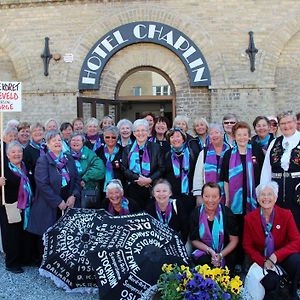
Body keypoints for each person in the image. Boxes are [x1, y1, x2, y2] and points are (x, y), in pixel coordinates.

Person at [243, 181, 300, 300]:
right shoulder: (250, 219)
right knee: (271, 281)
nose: (266, 198)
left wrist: (276, 256)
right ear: (258, 199)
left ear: (275, 197)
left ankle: (294, 293)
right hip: (261, 259)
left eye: (270, 194)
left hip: (281, 257)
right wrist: (263, 261)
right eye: (262, 195)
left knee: (296, 261)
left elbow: (296, 241)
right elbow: (247, 245)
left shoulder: (286, 215)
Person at [221, 121, 264, 270]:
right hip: (235, 202)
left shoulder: (257, 151)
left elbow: (263, 176)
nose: (242, 137)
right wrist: (227, 199)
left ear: (249, 136)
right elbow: (225, 179)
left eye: (245, 134)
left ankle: (251, 262)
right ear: (234, 136)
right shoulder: (228, 154)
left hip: (254, 201)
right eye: (239, 135)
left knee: (252, 230)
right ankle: (237, 262)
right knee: (236, 230)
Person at [27, 130, 80, 238]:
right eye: (53, 140)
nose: (57, 142)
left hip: (68, 204)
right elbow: (42, 185)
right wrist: (58, 201)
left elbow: (76, 179)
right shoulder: (43, 161)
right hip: (49, 207)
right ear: (47, 143)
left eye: (59, 140)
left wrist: (74, 195)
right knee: (50, 241)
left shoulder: (68, 158)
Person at [261, 111, 300, 230]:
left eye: (289, 122)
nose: (286, 126)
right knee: (279, 224)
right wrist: (265, 191)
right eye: (283, 123)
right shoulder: (275, 142)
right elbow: (267, 169)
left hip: (297, 187)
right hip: (277, 189)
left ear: (295, 122)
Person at [0, 141, 33, 273]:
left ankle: (24, 259)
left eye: (19, 151)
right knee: (12, 235)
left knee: (24, 234)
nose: (17, 154)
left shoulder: (25, 167)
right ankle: (12, 263)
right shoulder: (4, 169)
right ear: (7, 155)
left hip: (26, 207)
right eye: (13, 152)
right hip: (11, 206)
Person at [190, 182, 239, 270]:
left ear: (220, 198)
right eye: (207, 196)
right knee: (203, 260)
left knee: (231, 260)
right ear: (202, 197)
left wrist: (220, 255)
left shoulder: (227, 214)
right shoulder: (196, 213)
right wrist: (210, 250)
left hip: (225, 252)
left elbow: (234, 240)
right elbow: (194, 240)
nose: (210, 200)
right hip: (205, 251)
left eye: (214, 197)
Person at [122, 119, 164, 210]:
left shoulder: (156, 147)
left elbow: (161, 168)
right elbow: (124, 169)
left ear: (148, 132)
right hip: (133, 188)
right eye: (137, 130)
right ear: (133, 133)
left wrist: (149, 179)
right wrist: (138, 179)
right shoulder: (127, 149)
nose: (140, 133)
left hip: (151, 188)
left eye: (143, 130)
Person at [164, 127, 199, 216]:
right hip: (173, 194)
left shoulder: (192, 153)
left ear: (183, 139)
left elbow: (197, 172)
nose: (175, 139)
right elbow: (163, 174)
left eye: (178, 136)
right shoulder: (166, 155)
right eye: (172, 137)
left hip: (189, 193)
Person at [193, 124, 229, 205]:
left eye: (217, 132)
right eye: (211, 133)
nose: (214, 135)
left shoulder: (230, 151)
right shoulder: (204, 153)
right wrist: (199, 196)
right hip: (208, 196)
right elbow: (198, 176)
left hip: (227, 195)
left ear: (222, 134)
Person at [145, 179, 188, 244]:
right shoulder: (150, 208)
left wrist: (179, 244)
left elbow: (185, 228)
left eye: (164, 191)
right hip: (158, 244)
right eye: (158, 191)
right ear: (153, 194)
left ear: (170, 193)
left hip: (178, 241)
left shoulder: (177, 205)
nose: (161, 194)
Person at [69, 132, 105, 207]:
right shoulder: (65, 155)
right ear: (69, 143)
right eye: (73, 140)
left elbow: (100, 169)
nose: (75, 142)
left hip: (88, 191)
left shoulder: (90, 153)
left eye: (78, 140)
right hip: (71, 193)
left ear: (83, 142)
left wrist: (85, 178)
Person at [95, 126, 124, 201]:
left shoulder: (123, 151)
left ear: (117, 138)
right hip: (102, 188)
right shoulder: (98, 152)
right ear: (104, 138)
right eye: (107, 137)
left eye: (113, 137)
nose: (110, 139)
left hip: (120, 187)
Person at [23, 122, 46, 193]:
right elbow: (27, 172)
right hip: (36, 186)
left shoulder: (49, 146)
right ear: (31, 134)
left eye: (40, 130)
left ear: (44, 132)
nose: (38, 132)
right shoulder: (27, 150)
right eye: (34, 131)